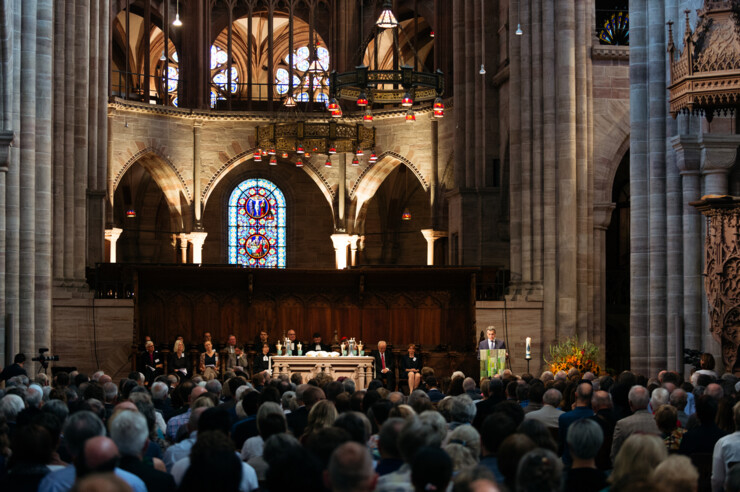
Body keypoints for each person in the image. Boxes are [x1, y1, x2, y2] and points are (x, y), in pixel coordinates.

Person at [610, 385, 661, 462]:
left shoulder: (622, 424)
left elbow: (615, 455)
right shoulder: (660, 421)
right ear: (648, 402)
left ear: (630, 403)